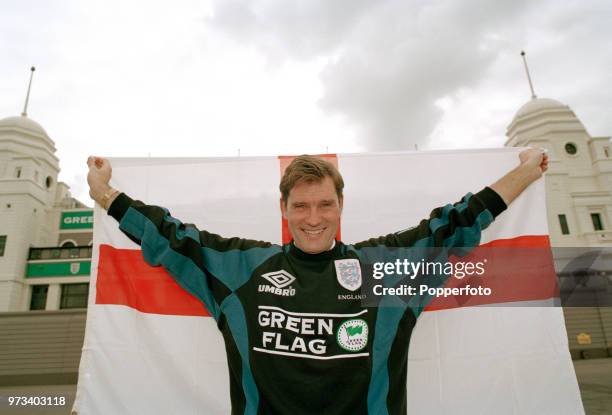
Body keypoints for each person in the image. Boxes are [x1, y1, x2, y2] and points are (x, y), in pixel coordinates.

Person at [87, 148, 548, 415]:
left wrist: (527, 170)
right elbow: (170, 237)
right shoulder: (242, 268)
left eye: (325, 205)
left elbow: (457, 223)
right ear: (284, 209)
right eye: (301, 206)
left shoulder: (382, 271)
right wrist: (105, 193)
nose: (313, 219)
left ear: (341, 206)